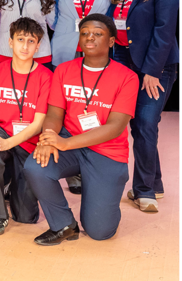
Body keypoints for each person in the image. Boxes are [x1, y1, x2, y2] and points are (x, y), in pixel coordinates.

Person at [24, 14, 138, 245]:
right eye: (85, 33)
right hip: (71, 142)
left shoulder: (127, 77)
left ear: (111, 41)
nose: (90, 37)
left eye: (98, 33)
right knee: (36, 166)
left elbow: (115, 127)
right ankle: (64, 224)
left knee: (99, 232)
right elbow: (55, 113)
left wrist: (64, 143)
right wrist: (49, 138)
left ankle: (103, 195)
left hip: (106, 151)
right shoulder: (64, 70)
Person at [107, 0, 180, 213]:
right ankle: (156, 182)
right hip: (125, 64)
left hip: (157, 67)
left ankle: (144, 191)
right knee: (138, 126)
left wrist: (152, 71)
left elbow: (164, 32)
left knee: (147, 122)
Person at [49, 0, 114, 195]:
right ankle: (71, 169)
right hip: (64, 51)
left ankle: (89, 164)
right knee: (63, 111)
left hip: (95, 53)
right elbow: (49, 14)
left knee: (89, 110)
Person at [0, 17, 52, 234]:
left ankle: (12, 183)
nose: (25, 46)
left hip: (29, 138)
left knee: (27, 217)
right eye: (20, 39)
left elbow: (39, 123)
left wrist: (7, 143)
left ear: (38, 46)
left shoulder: (46, 76)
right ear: (10, 42)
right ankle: (0, 214)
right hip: (3, 130)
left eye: (31, 41)